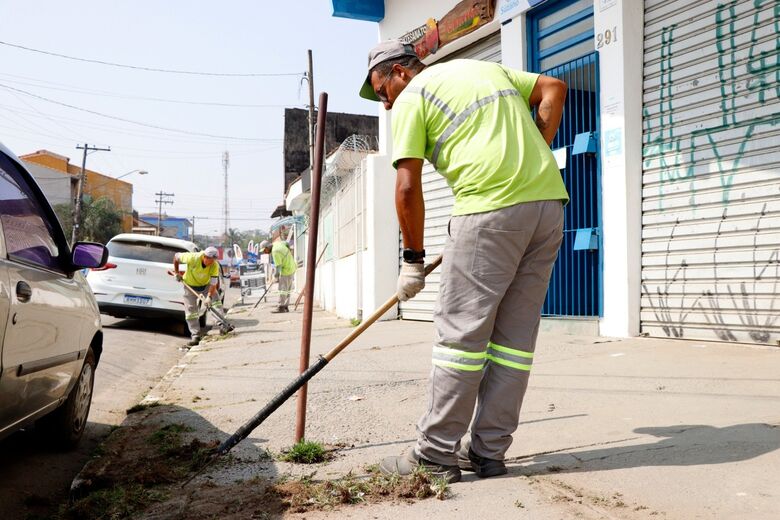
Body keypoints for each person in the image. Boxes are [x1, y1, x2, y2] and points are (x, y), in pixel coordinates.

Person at [359, 40, 569, 483]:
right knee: (513, 342)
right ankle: (489, 453)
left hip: (488, 209)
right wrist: (535, 150)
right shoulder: (483, 69)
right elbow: (553, 87)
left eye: (382, 92)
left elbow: (406, 187)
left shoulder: (412, 96)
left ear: (399, 72)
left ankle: (435, 455)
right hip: (547, 206)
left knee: (460, 340)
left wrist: (412, 259)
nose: (385, 102)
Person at [173, 246, 223, 346]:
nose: (211, 263)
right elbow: (176, 256)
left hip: (206, 285)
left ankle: (222, 324)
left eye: (213, 260)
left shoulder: (214, 265)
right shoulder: (192, 257)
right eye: (209, 260)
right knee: (191, 310)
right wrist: (177, 272)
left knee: (215, 301)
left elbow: (213, 284)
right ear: (205, 256)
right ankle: (195, 335)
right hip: (190, 285)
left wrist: (209, 296)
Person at [260, 235, 296, 313]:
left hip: (286, 270)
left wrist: (276, 277)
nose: (265, 252)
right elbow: (286, 243)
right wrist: (288, 251)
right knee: (287, 289)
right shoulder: (277, 243)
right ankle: (286, 306)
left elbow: (278, 266)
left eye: (264, 250)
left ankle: (281, 307)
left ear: (267, 247)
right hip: (292, 266)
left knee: (282, 289)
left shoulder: (275, 251)